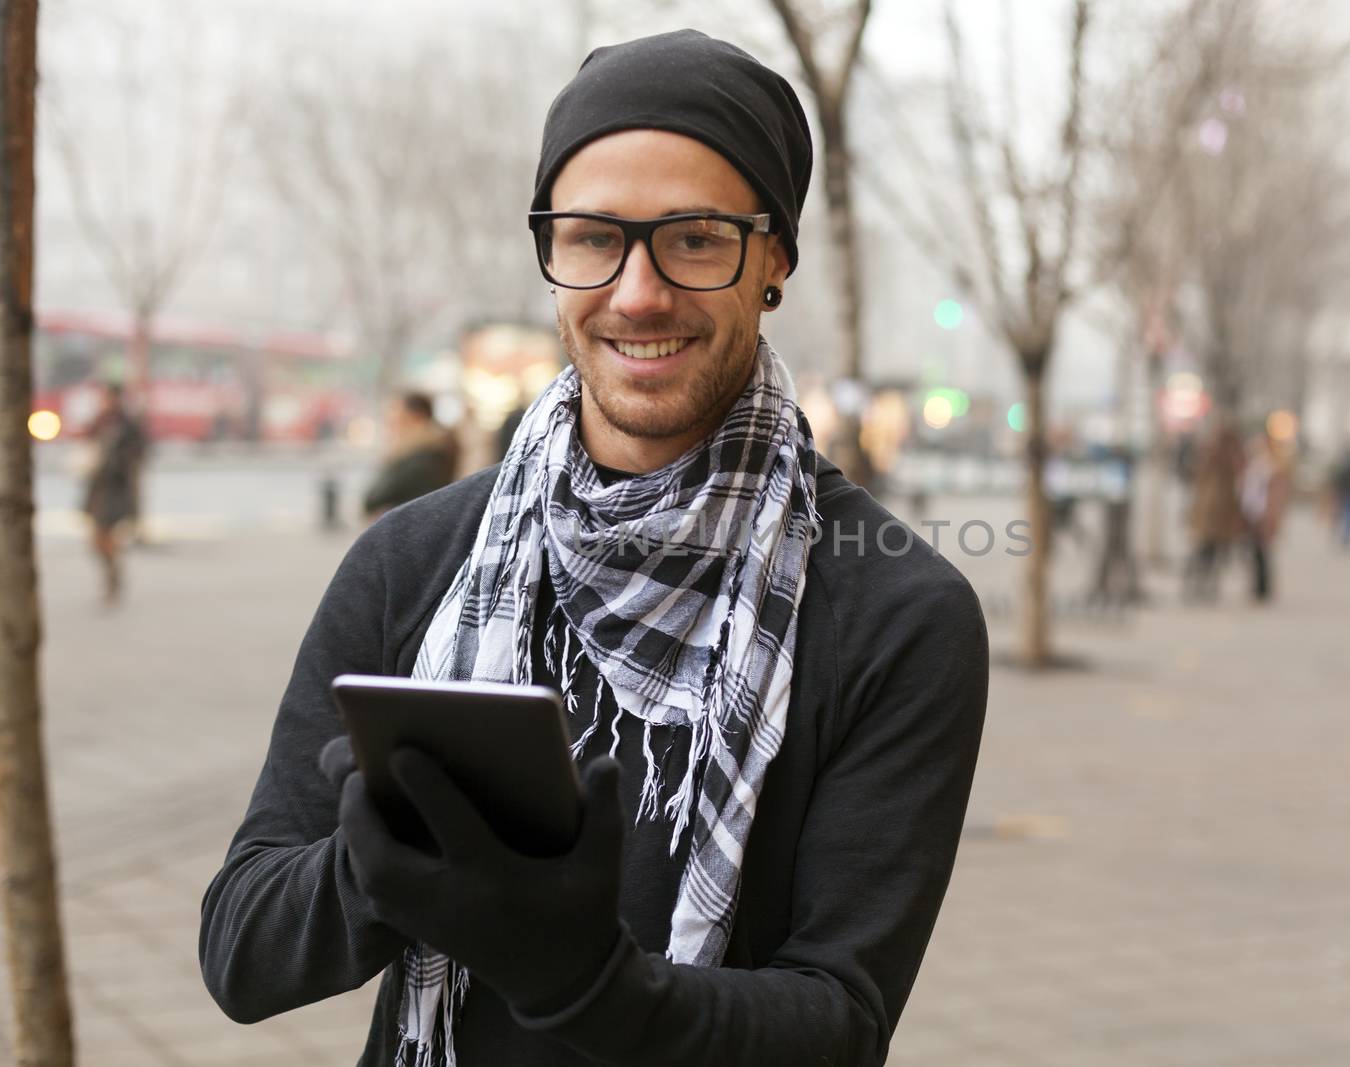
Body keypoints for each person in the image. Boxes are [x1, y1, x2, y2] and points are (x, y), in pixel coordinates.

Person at [200, 30, 988, 1067]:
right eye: (590, 237)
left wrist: (585, 980)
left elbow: (835, 1022)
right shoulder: (416, 561)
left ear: (774, 261)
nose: (636, 291)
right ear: (552, 253)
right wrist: (378, 858)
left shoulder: (891, 611)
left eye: (696, 238)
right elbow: (241, 952)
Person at [81, 384, 145, 603]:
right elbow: (86, 439)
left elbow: (140, 452)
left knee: (105, 533)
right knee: (97, 538)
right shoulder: (100, 420)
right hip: (98, 485)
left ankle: (113, 578)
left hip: (116, 487)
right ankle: (112, 574)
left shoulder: (129, 424)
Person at [361, 391, 459, 520]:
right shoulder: (435, 448)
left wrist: (393, 457)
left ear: (417, 417)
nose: (392, 425)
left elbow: (373, 499)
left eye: (398, 418)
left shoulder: (423, 456)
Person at [1183, 422, 1243, 602]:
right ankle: (1200, 585)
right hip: (1214, 516)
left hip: (1214, 516)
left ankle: (1200, 585)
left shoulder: (1216, 459)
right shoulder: (1218, 459)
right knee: (1207, 553)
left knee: (1206, 553)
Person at [1238, 432, 1290, 603]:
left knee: (1262, 552)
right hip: (1252, 512)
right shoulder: (1255, 465)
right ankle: (1258, 586)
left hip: (1262, 513)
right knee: (1254, 552)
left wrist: (1271, 515)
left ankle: (1263, 588)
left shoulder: (1271, 466)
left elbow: (1276, 495)